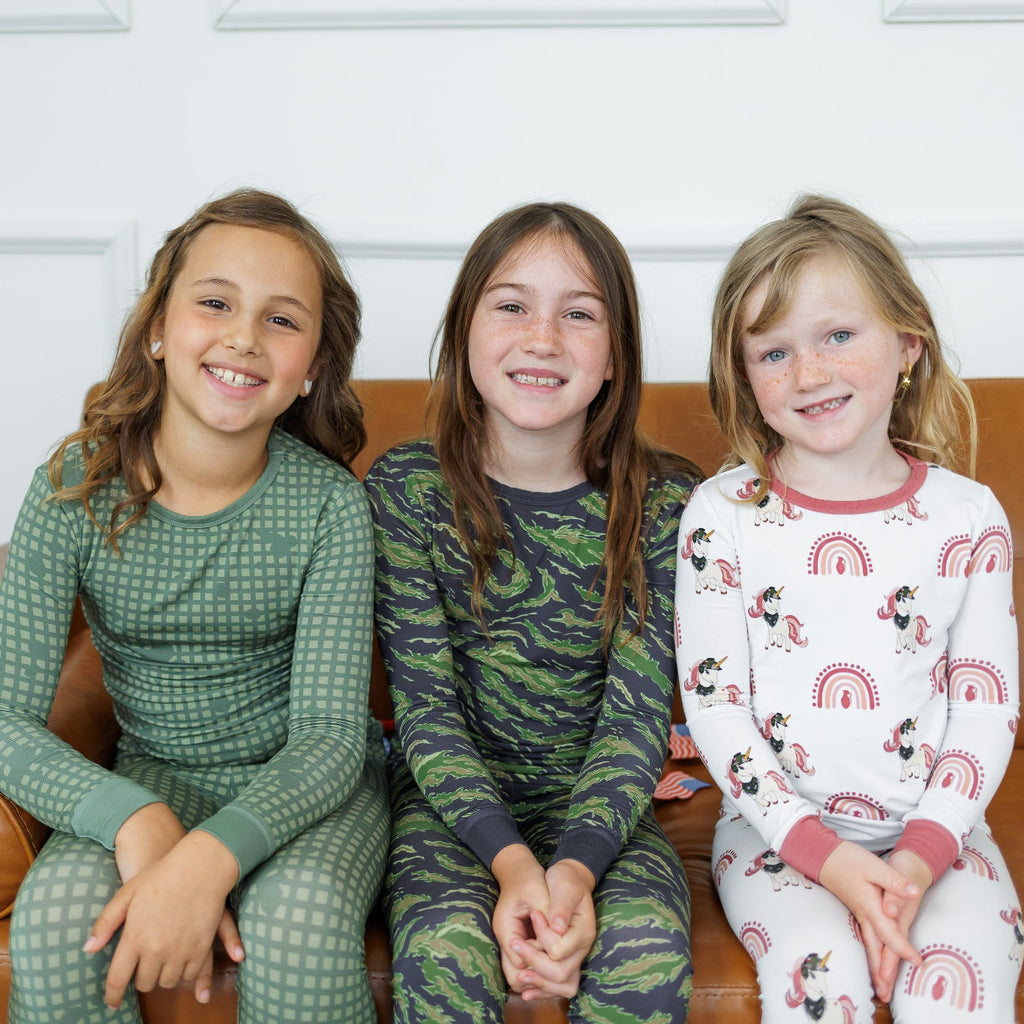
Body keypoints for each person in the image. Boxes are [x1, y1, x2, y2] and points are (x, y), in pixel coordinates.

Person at [0, 188, 388, 1024]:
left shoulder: (329, 507)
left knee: (300, 920)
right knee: (60, 923)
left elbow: (326, 739)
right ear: (156, 328)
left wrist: (211, 857)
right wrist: (135, 820)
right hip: (152, 774)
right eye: (214, 303)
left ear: (314, 364)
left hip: (310, 786)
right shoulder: (71, 492)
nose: (244, 336)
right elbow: (5, 723)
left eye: (283, 320)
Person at [675, 194, 1020, 1022]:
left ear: (907, 343)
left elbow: (985, 710)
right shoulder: (721, 516)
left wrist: (915, 863)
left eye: (838, 335)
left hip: (942, 833)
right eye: (774, 351)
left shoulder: (968, 517)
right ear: (743, 375)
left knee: (959, 982)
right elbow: (717, 710)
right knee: (817, 973)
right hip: (774, 838)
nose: (810, 372)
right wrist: (824, 859)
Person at [365, 201, 699, 1023]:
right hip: (452, 814)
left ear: (617, 353)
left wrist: (574, 874)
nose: (541, 338)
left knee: (644, 957)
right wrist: (514, 868)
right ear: (463, 329)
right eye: (511, 305)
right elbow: (427, 719)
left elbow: (634, 722)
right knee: (445, 955)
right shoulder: (405, 493)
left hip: (608, 815)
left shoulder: (666, 504)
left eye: (578, 314)